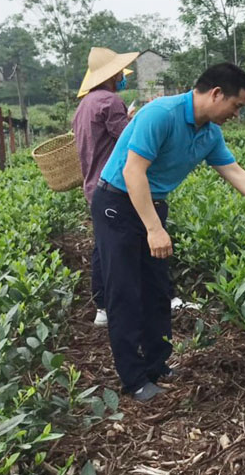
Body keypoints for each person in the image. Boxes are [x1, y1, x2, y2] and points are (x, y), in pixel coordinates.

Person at [93, 63, 245, 402]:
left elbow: (236, 173)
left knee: (156, 289)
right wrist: (153, 228)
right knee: (125, 293)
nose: (236, 114)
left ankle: (157, 365)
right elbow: (133, 171)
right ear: (216, 94)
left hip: (153, 203)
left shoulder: (210, 133)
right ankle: (134, 379)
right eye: (236, 106)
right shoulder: (160, 114)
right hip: (118, 203)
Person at [72, 47, 140, 327]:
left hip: (93, 186)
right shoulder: (110, 102)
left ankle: (102, 306)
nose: (123, 77)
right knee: (123, 247)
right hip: (113, 186)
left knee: (103, 247)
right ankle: (123, 304)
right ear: (112, 75)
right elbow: (129, 140)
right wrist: (137, 120)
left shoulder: (85, 104)